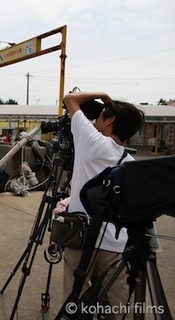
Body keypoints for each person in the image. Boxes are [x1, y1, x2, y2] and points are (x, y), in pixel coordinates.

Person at [61, 92, 144, 319]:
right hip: (116, 244)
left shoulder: (91, 141)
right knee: (115, 308)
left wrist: (104, 97)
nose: (95, 120)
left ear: (110, 121)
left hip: (81, 238)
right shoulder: (129, 164)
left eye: (101, 116)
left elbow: (71, 99)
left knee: (74, 303)